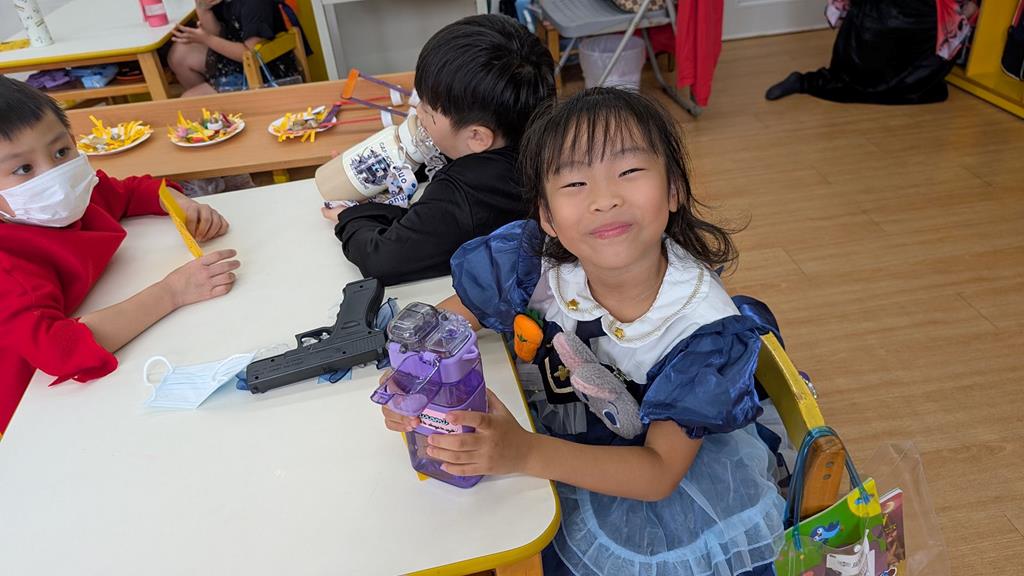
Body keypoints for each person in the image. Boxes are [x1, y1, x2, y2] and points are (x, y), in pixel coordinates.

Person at [382, 88, 786, 575]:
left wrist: (523, 452)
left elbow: (659, 473)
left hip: (645, 484)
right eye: (575, 182)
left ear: (674, 189)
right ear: (547, 216)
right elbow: (448, 320)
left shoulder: (702, 331)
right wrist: (411, 372)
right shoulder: (534, 261)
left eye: (629, 171)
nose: (604, 199)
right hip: (550, 439)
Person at [0, 77, 239, 434]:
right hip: (27, 418)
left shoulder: (75, 200)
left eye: (61, 152)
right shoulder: (7, 264)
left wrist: (180, 204)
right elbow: (60, 350)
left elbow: (128, 192)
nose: (55, 176)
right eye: (23, 169)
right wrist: (172, 292)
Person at [321, 14, 555, 286]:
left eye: (429, 112)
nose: (417, 112)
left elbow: (380, 258)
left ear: (477, 137)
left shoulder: (465, 191)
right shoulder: (542, 137)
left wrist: (350, 217)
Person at [168, 0, 301, 96]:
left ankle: (221, 104)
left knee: (189, 100)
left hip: (264, 72)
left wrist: (207, 39)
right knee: (178, 54)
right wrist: (203, 9)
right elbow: (217, 34)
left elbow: (251, 55)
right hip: (236, 60)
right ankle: (217, 105)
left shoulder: (254, 5)